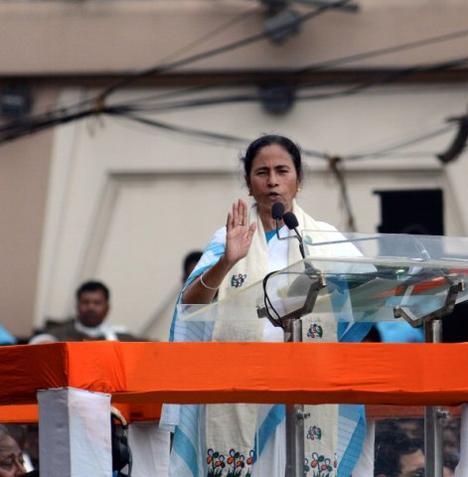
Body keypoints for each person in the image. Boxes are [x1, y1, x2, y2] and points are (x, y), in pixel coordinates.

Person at [165, 135, 370, 477]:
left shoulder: (324, 238)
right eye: (262, 172)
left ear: (298, 180)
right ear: (249, 182)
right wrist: (228, 262)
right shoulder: (227, 238)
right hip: (242, 385)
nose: (273, 181)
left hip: (308, 383)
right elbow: (190, 305)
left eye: (282, 171)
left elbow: (366, 292)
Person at [31, 281, 140, 342]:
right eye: (85, 302)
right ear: (77, 306)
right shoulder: (58, 334)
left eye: (97, 303)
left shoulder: (122, 338)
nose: (90, 307)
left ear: (107, 308)